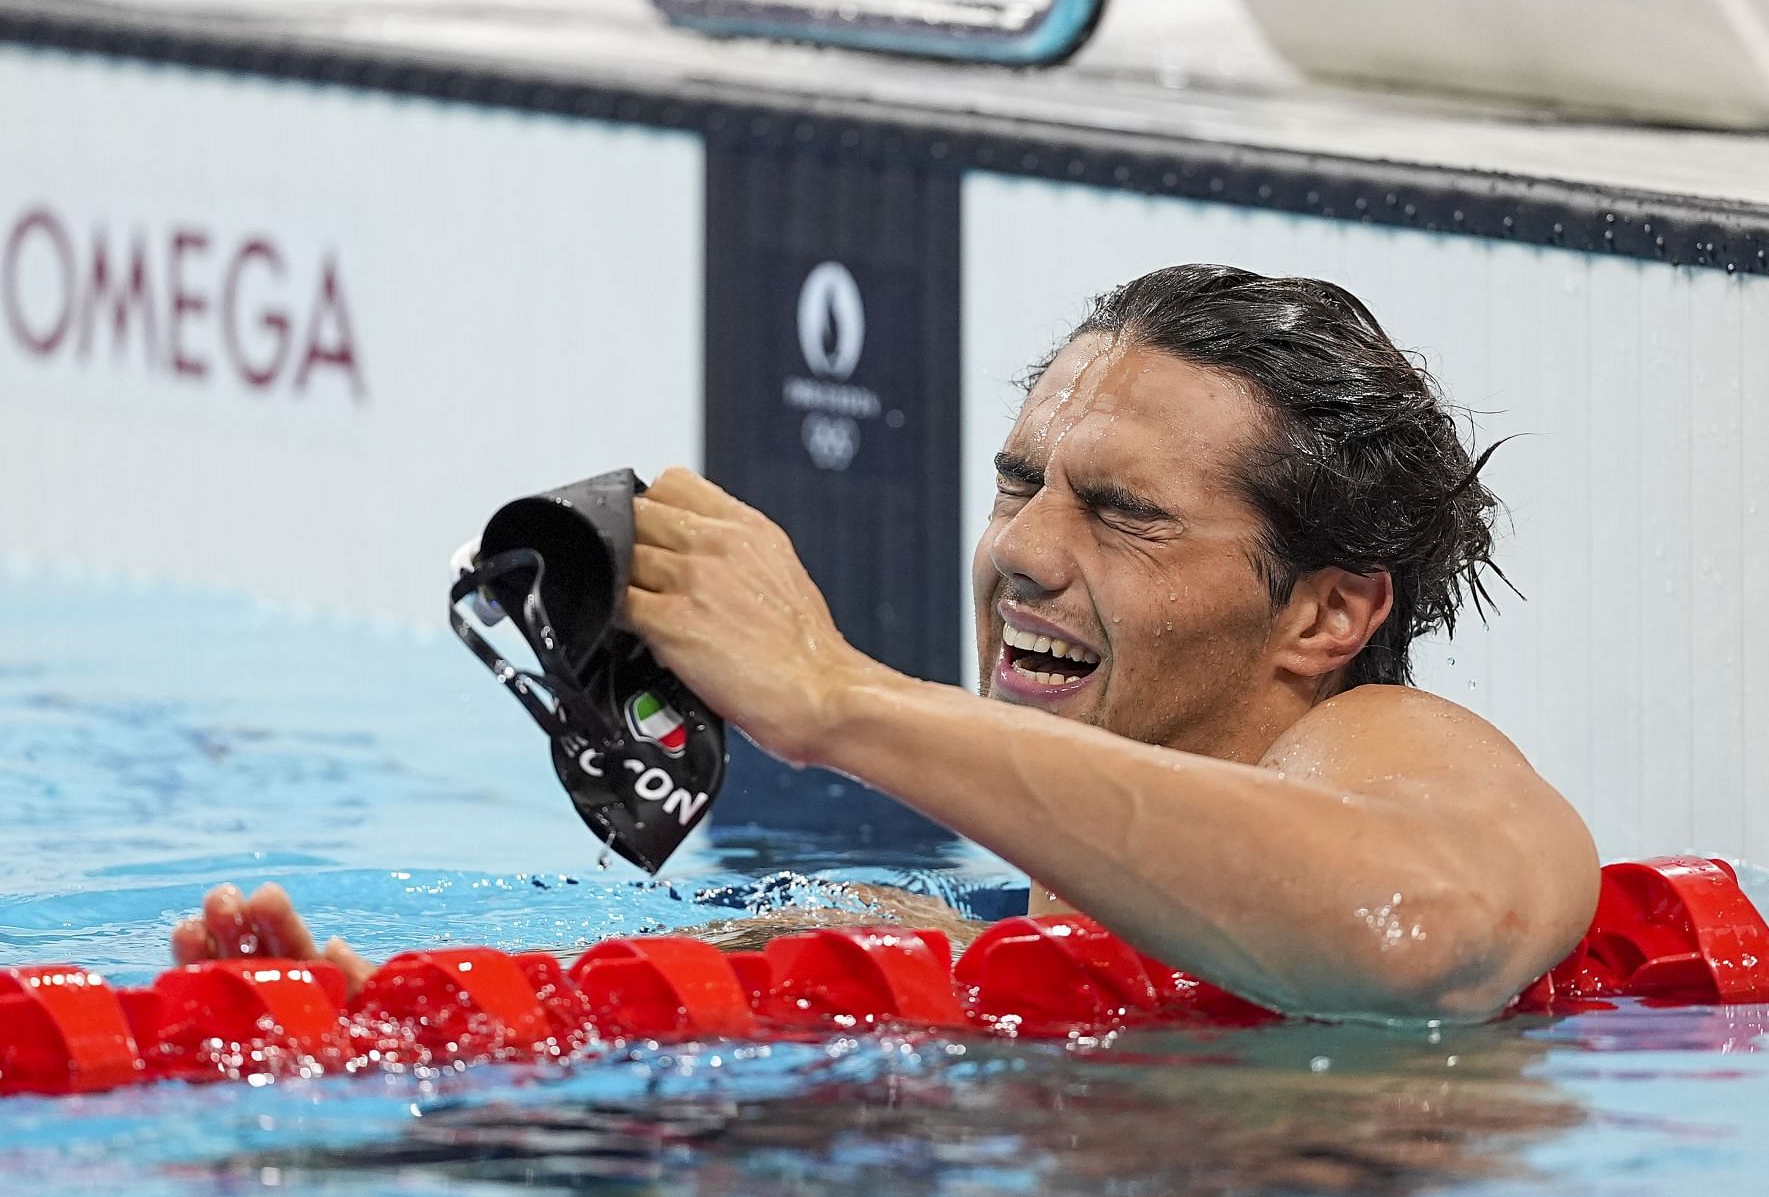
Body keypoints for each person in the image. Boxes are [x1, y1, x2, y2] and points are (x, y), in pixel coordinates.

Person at [172, 265, 1598, 1022]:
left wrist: (842, 701)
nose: (1025, 553)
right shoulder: (947, 938)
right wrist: (376, 1040)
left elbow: (1426, 932)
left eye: (1124, 512)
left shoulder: (1374, 746)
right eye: (1019, 482)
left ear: (1330, 613)